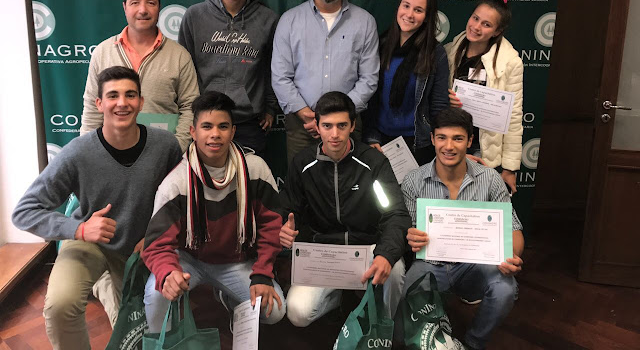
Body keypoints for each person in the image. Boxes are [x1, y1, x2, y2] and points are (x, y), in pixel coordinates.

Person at [13, 66, 182, 350]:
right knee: (60, 305)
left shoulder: (165, 146)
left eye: (130, 95)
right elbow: (24, 212)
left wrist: (156, 236)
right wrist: (78, 229)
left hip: (141, 248)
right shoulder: (78, 152)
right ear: (99, 104)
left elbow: (179, 202)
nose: (122, 103)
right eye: (113, 96)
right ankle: (102, 281)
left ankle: (105, 283)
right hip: (89, 243)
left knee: (135, 336)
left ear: (141, 102)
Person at [142, 91, 286, 332]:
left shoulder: (255, 169)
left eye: (223, 126)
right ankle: (165, 342)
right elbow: (156, 244)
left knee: (274, 311)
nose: (215, 134)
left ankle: (228, 297)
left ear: (233, 131)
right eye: (207, 126)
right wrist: (168, 273)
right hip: (188, 259)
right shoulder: (176, 181)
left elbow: (271, 227)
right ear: (193, 131)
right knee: (157, 297)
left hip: (236, 260)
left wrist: (262, 273)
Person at [279, 91, 411, 326]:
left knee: (394, 269)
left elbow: (394, 213)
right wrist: (284, 228)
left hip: (367, 247)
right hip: (323, 252)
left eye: (341, 125)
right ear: (317, 127)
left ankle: (382, 325)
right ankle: (338, 298)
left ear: (352, 126)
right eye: (327, 126)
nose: (335, 134)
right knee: (298, 313)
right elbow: (289, 209)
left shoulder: (373, 163)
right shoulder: (303, 164)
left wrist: (385, 254)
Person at [401, 107, 523, 350]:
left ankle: (473, 343)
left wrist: (512, 255)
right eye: (442, 137)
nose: (449, 146)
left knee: (506, 289)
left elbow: (514, 229)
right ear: (432, 139)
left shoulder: (490, 178)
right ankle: (431, 337)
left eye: (457, 138)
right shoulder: (413, 180)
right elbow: (411, 231)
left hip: (476, 263)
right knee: (406, 295)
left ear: (469, 141)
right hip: (431, 263)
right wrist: (411, 237)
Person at [272, 0, 380, 163]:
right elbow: (280, 77)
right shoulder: (289, 20)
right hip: (303, 127)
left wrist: (339, 119)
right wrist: (305, 113)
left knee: (349, 182)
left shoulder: (365, 22)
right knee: (303, 181)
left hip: (347, 128)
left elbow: (369, 79)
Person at [179, 0, 279, 157]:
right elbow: (184, 70)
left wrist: (270, 108)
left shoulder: (268, 19)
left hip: (249, 123)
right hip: (205, 122)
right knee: (207, 179)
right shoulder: (194, 16)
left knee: (250, 178)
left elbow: (273, 68)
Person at [81, 0, 199, 152]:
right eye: (135, 3)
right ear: (125, 7)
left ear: (159, 8)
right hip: (111, 152)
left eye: (150, 3)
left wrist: (175, 147)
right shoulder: (103, 52)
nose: (143, 10)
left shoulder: (179, 56)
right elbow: (92, 107)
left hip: (161, 152)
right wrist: (89, 152)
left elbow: (190, 107)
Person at [364, 0, 449, 165]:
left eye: (418, 10)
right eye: (406, 6)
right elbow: (371, 98)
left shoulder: (435, 53)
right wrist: (371, 137)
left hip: (417, 143)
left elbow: (439, 106)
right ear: (399, 7)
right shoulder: (381, 44)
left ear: (426, 17)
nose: (409, 14)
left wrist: (440, 141)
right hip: (379, 139)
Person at [445, 0, 523, 193]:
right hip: (450, 142)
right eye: (475, 18)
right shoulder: (453, 49)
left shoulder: (510, 62)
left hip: (483, 147)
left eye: (486, 24)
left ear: (497, 31)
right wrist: (446, 100)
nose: (476, 27)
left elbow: (513, 117)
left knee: (475, 201)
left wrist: (509, 168)